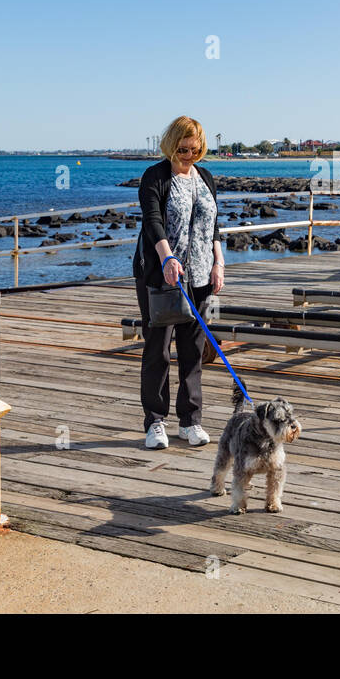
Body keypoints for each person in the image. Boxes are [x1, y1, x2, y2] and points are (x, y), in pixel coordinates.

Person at [133, 115, 225, 449]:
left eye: (195, 149)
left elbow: (212, 222)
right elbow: (152, 220)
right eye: (183, 149)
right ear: (172, 145)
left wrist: (219, 261)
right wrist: (167, 257)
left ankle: (190, 420)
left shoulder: (206, 177)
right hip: (162, 275)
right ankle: (155, 422)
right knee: (158, 349)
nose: (188, 155)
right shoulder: (155, 176)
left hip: (200, 275)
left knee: (193, 350)